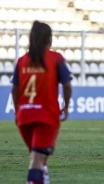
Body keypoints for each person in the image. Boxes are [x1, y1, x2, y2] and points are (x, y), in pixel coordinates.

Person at [11, 21, 72, 184]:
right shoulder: (55, 58)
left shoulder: (22, 61)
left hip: (24, 116)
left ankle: (42, 178)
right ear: (49, 39)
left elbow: (14, 90)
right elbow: (67, 85)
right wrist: (66, 106)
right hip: (46, 115)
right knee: (37, 160)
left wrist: (17, 111)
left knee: (38, 156)